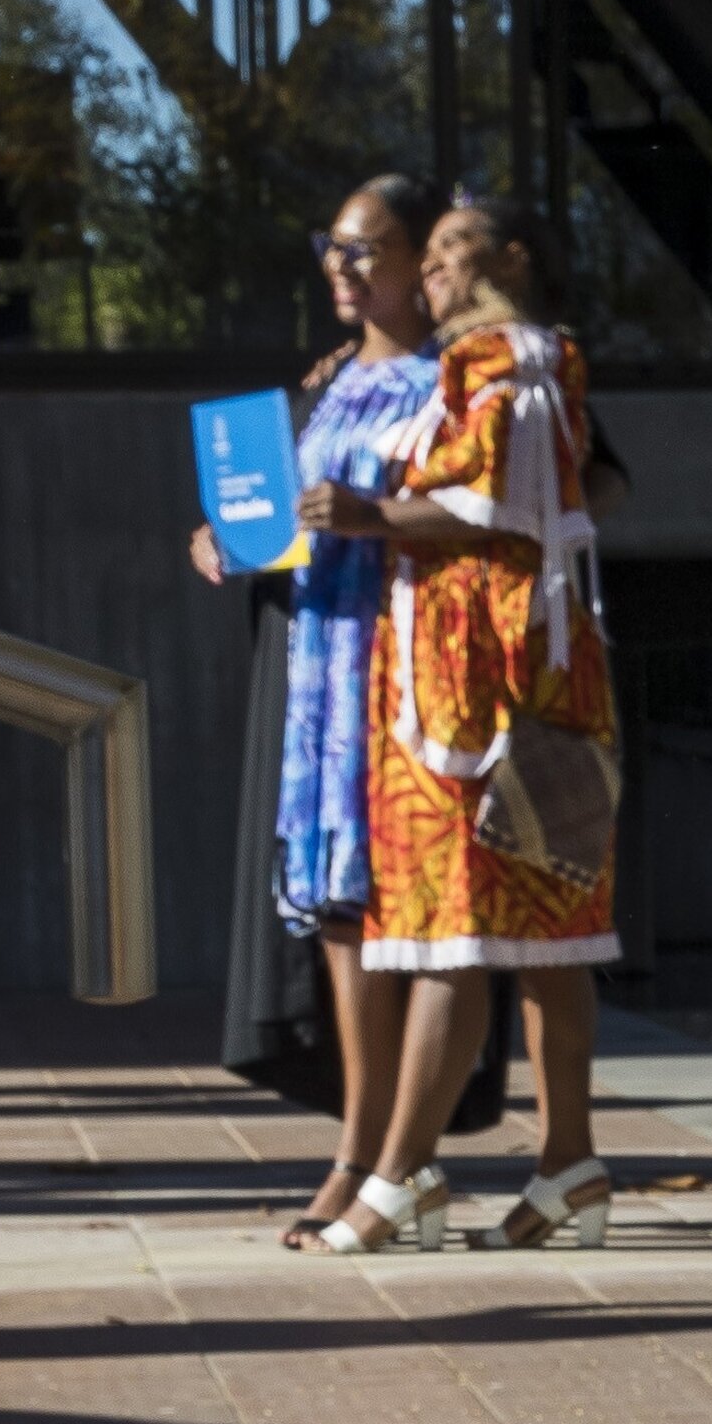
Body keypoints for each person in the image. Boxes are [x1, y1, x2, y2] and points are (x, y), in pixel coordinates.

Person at [304, 191, 620, 1253]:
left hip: (479, 687)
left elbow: (501, 510)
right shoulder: (496, 365)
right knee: (541, 930)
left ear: (514, 256)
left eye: (452, 246)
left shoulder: (506, 360)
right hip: (506, 675)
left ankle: (395, 1177)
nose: (433, 265)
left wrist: (369, 516)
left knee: (458, 928)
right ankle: (566, 1161)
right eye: (426, 250)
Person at [184, 172, 447, 1244]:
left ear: (424, 261)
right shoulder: (327, 382)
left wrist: (379, 514)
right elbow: (282, 515)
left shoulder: (461, 376)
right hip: (320, 671)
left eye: (363, 250)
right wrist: (224, 541)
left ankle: (400, 1161)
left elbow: (531, 500)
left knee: (413, 921)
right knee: (342, 915)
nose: (339, 268)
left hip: (412, 667)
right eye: (329, 246)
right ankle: (359, 1150)